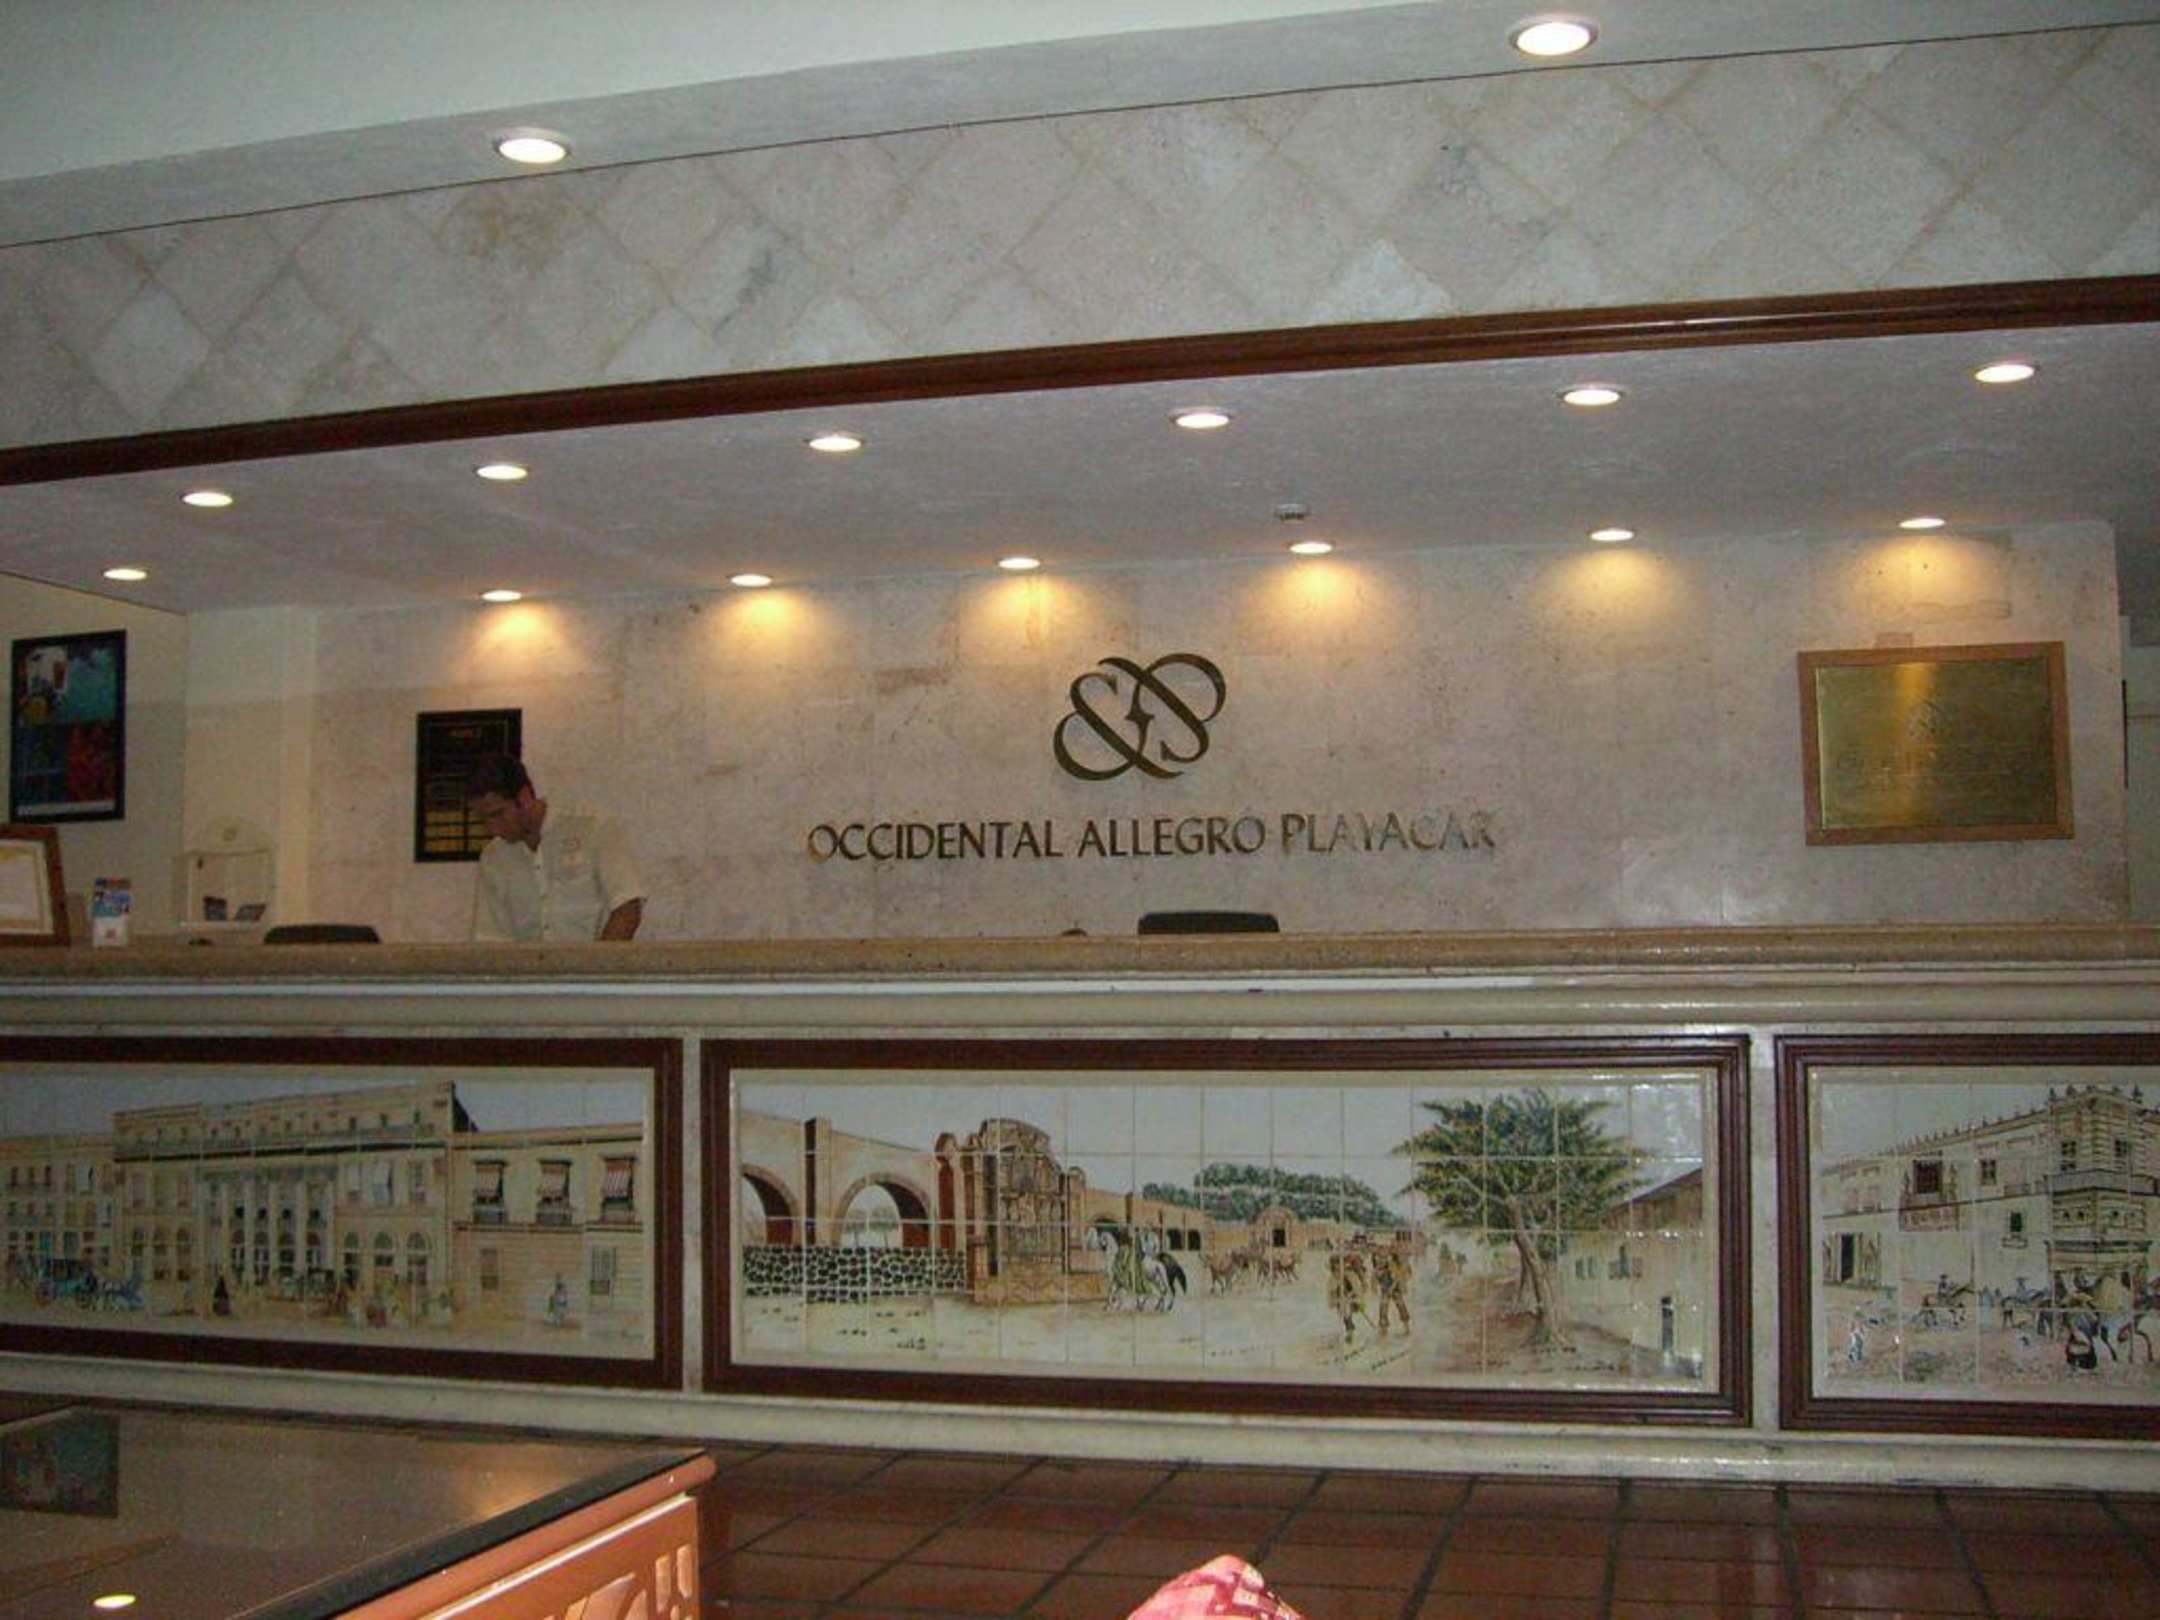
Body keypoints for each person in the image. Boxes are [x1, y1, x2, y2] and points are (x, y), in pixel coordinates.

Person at [465, 754, 645, 941]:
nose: (492, 829)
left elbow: (627, 908)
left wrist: (598, 959)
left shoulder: (593, 829)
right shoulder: (493, 858)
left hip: (593, 957)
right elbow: (490, 938)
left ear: (524, 798)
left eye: (498, 814)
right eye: (483, 819)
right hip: (527, 961)